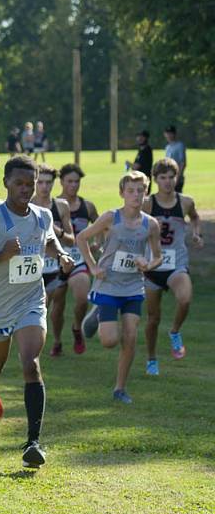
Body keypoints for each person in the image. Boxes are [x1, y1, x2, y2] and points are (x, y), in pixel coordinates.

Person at [0, 154, 71, 469]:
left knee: (31, 364)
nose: (24, 189)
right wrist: (0, 254)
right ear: (6, 182)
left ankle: (33, 443)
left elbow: (47, 239)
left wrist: (61, 254)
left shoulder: (43, 215)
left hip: (31, 301)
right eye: (18, 183)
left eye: (29, 184)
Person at [75, 171, 162, 403]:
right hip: (108, 286)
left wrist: (148, 264)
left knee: (131, 337)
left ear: (145, 194)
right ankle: (95, 315)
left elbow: (158, 257)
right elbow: (81, 238)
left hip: (133, 288)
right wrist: (92, 268)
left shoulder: (151, 224)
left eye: (140, 191)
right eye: (131, 191)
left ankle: (120, 389)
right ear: (122, 193)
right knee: (109, 341)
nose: (135, 195)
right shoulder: (110, 218)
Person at [142, 158, 201, 371]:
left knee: (185, 300)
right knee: (153, 318)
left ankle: (175, 332)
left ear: (177, 178)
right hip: (151, 268)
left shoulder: (185, 202)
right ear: (155, 180)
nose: (167, 182)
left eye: (171, 177)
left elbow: (194, 218)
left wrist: (196, 233)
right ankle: (151, 359)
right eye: (163, 178)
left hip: (176, 264)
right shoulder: (148, 203)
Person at [32, 167, 77, 358]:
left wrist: (55, 230)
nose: (44, 186)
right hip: (35, 266)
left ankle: (57, 340)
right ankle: (34, 348)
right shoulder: (27, 205)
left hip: (57, 266)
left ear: (54, 183)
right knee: (39, 308)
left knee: (57, 309)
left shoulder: (61, 206)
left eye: (48, 182)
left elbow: (71, 239)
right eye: (40, 182)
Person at [58, 164, 97, 354]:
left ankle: (77, 328)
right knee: (57, 306)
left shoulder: (87, 206)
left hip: (78, 260)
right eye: (69, 181)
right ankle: (57, 340)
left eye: (77, 181)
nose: (73, 185)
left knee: (82, 298)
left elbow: (102, 227)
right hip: (53, 261)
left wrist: (99, 243)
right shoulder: (53, 205)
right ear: (61, 182)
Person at [163, 126, 187, 192]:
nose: (168, 135)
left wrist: (177, 177)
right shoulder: (167, 147)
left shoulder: (180, 145)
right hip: (168, 177)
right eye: (167, 133)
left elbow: (183, 163)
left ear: (174, 134)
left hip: (176, 177)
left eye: (171, 133)